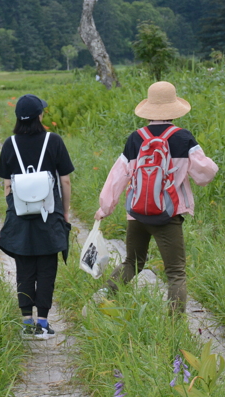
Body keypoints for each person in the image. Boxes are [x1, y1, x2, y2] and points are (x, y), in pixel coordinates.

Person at [93, 81, 218, 314]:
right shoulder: (182, 138)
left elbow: (118, 175)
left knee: (133, 262)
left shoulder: (135, 138)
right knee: (175, 272)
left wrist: (105, 208)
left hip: (137, 213)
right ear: (174, 108)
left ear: (149, 109)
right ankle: (173, 327)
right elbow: (206, 173)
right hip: (167, 215)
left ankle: (102, 296)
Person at [0, 94, 74, 339]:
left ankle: (26, 323)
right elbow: (65, 180)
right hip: (48, 214)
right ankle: (43, 322)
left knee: (25, 269)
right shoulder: (54, 141)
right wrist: (65, 211)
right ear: (40, 115)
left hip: (20, 217)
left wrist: (15, 207)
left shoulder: (10, 144)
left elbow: (7, 185)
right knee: (47, 270)